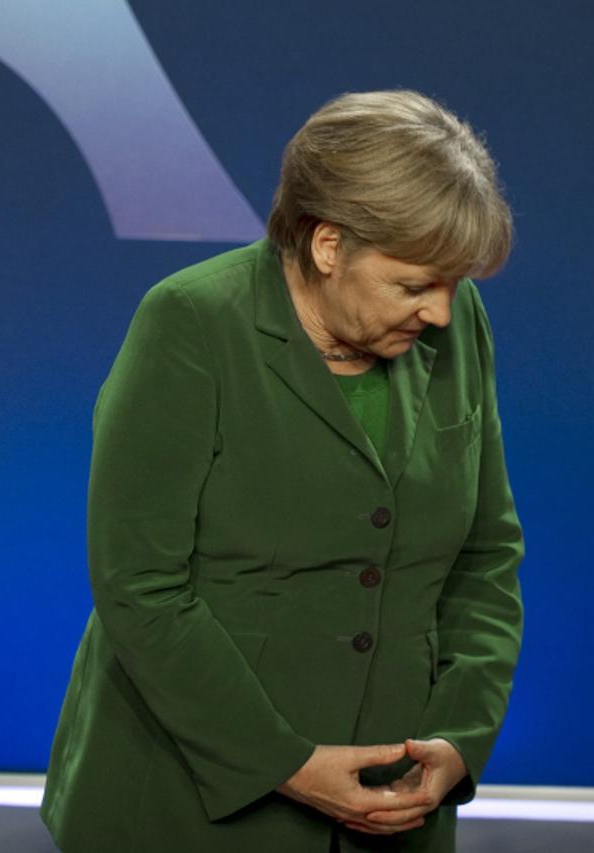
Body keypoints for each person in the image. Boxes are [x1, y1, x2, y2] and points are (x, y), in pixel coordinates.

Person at [42, 90, 522, 852]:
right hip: (189, 806)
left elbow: (485, 553)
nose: (439, 311)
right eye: (413, 285)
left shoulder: (458, 326)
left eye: (453, 284)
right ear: (327, 245)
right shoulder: (192, 323)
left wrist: (459, 737)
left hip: (393, 809)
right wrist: (284, 762)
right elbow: (141, 583)